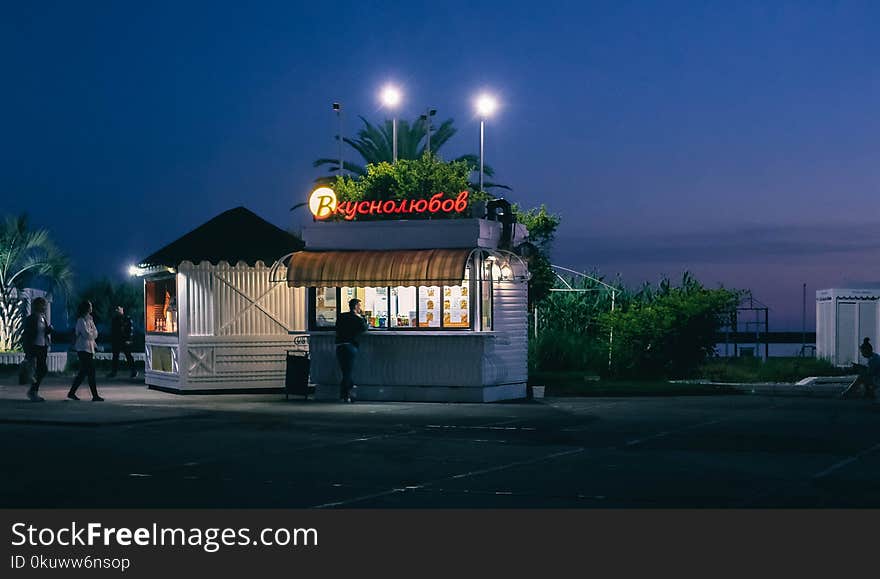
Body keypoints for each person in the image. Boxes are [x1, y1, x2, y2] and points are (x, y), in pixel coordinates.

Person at [68, 300, 103, 402]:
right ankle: (95, 396)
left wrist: (92, 334)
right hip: (83, 349)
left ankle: (71, 393)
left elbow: (96, 333)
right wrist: (92, 334)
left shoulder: (90, 320)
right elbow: (86, 335)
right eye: (90, 306)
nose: (92, 308)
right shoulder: (81, 321)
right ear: (86, 308)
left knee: (83, 373)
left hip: (89, 349)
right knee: (90, 372)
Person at [335, 298, 368, 403]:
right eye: (359, 306)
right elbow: (364, 328)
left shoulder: (341, 316)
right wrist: (362, 317)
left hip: (340, 346)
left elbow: (337, 327)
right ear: (355, 307)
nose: (360, 308)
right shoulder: (357, 319)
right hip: (350, 346)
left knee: (345, 371)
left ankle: (345, 394)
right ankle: (347, 394)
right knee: (347, 371)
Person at [22, 297, 54, 402]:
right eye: (43, 304)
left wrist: (48, 330)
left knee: (43, 369)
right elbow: (27, 334)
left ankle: (33, 390)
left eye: (45, 304)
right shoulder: (31, 318)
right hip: (34, 347)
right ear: (37, 305)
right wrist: (27, 349)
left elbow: (42, 332)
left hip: (42, 346)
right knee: (39, 369)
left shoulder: (43, 317)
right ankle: (33, 391)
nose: (44, 306)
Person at [108, 305, 137, 379]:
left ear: (122, 309)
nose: (117, 310)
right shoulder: (115, 319)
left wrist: (129, 340)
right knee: (115, 357)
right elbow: (113, 330)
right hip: (117, 340)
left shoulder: (127, 318)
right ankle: (114, 372)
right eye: (116, 309)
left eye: (119, 309)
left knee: (128, 356)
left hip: (124, 340)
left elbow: (130, 330)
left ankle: (133, 371)